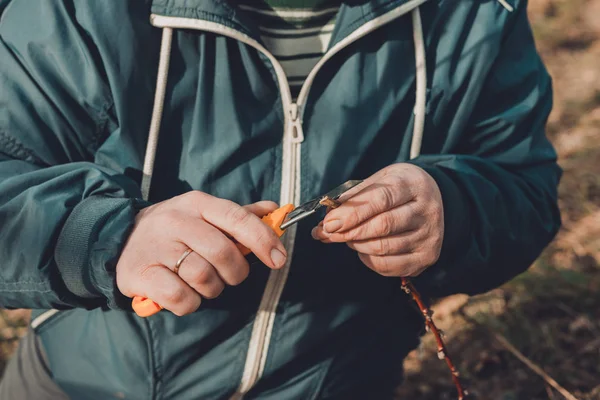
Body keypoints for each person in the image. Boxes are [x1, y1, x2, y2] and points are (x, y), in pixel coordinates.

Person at [0, 0, 561, 399]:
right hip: (80, 384)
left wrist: (456, 207)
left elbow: (524, 187)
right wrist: (107, 237)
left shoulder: (479, 14)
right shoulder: (74, 13)